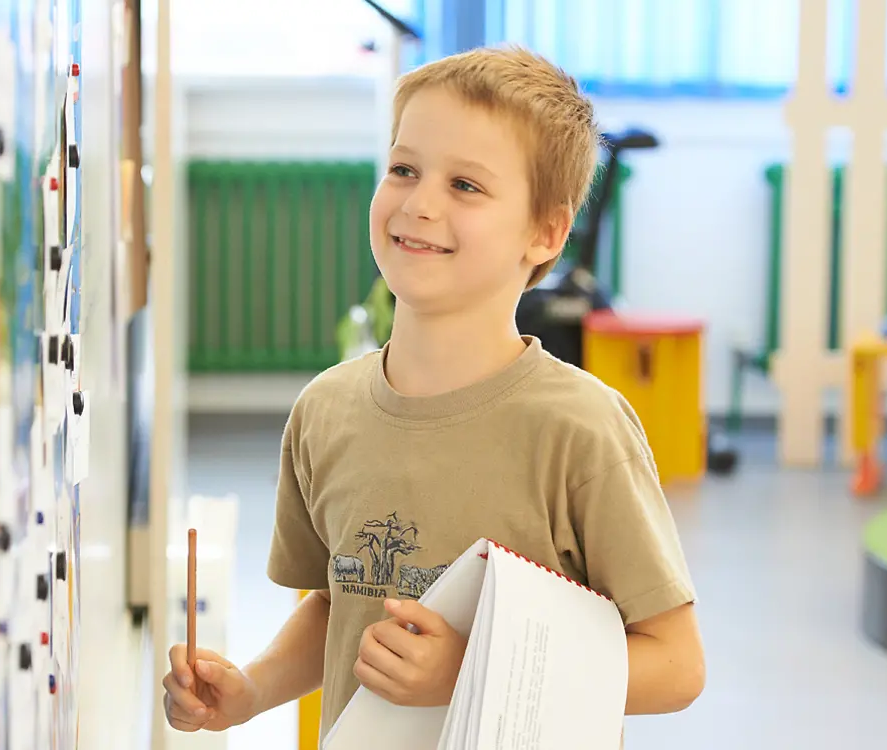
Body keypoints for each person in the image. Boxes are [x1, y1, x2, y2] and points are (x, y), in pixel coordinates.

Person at [162, 44, 705, 744]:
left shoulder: (583, 429)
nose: (418, 204)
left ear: (545, 233)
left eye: (466, 186)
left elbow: (678, 664)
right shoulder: (324, 413)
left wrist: (475, 669)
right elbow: (339, 605)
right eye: (403, 169)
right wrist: (251, 690)